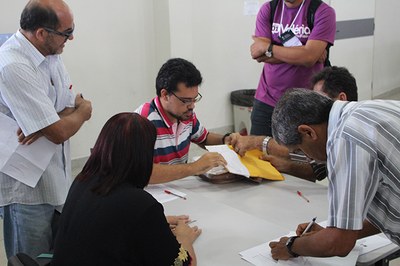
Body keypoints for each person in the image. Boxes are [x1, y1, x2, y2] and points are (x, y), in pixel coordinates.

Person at [0, 0, 92, 259]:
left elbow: (68, 104)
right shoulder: (13, 65)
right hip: (27, 188)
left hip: (56, 179)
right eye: (66, 32)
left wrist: (48, 121)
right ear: (41, 33)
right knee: (29, 260)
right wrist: (81, 113)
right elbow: (60, 130)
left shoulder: (51, 55)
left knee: (56, 255)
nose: (71, 38)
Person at [51, 113, 201, 266]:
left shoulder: (83, 179)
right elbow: (183, 264)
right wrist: (184, 238)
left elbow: (108, 225)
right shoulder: (139, 203)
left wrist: (153, 225)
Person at [269, 88, 400, 260]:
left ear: (308, 132)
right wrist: (336, 230)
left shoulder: (345, 139)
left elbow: (339, 244)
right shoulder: (366, 111)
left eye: (300, 150)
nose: (308, 157)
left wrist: (291, 246)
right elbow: (390, 207)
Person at [230, 66, 357, 181]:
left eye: (320, 99)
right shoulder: (333, 134)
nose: (314, 106)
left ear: (341, 99)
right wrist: (285, 165)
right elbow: (319, 167)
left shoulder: (351, 141)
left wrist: (258, 142)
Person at [135, 58, 228, 183]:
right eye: (186, 100)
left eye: (194, 99)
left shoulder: (185, 114)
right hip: (154, 193)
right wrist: (194, 167)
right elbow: (142, 172)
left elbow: (204, 138)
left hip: (179, 188)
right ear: (165, 95)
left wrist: (226, 139)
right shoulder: (143, 121)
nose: (192, 106)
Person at [250, 0, 336, 136]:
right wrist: (303, 52)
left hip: (306, 103)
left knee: (298, 156)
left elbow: (308, 58)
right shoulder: (269, 9)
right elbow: (258, 54)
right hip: (267, 99)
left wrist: (269, 48)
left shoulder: (322, 11)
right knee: (257, 152)